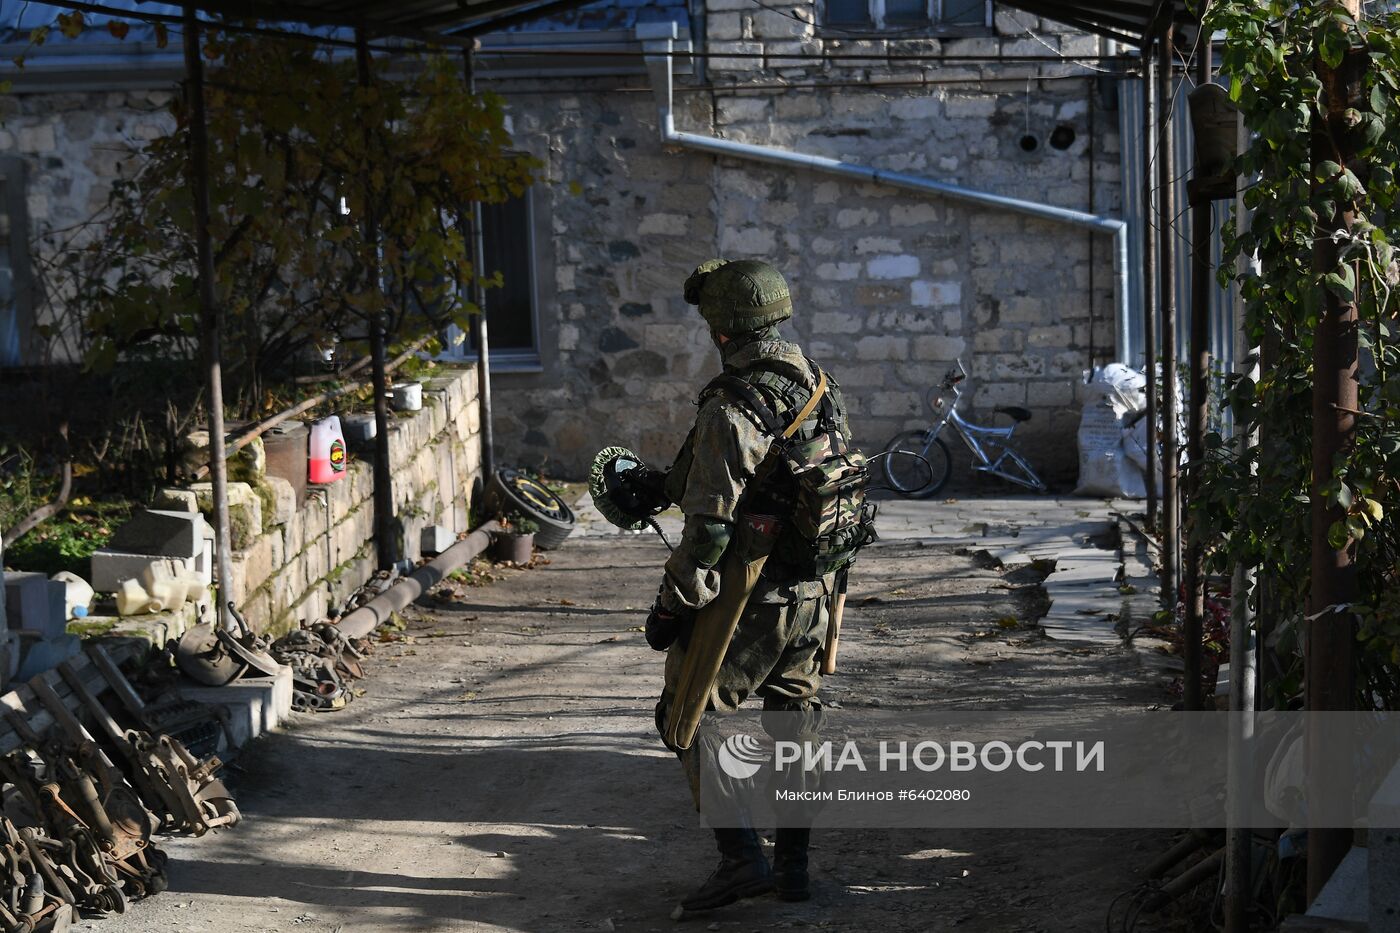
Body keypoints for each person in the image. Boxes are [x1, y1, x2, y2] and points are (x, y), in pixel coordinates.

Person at [644, 258, 854, 912]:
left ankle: (742, 860)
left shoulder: (733, 403)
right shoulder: (819, 383)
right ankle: (793, 871)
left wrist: (670, 605)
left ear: (721, 330)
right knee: (797, 723)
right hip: (813, 594)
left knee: (685, 715)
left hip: (749, 601)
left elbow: (707, 533)